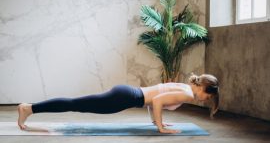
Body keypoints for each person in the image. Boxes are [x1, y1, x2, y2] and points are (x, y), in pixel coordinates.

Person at [17, 73, 219, 134]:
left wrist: (157, 122)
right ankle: (29, 108)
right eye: (208, 97)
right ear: (204, 89)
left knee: (76, 103)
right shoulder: (187, 95)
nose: (205, 100)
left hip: (127, 94)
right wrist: (159, 127)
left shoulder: (184, 87)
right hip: (125, 98)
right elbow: (156, 101)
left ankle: (30, 108)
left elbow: (155, 99)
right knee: (74, 103)